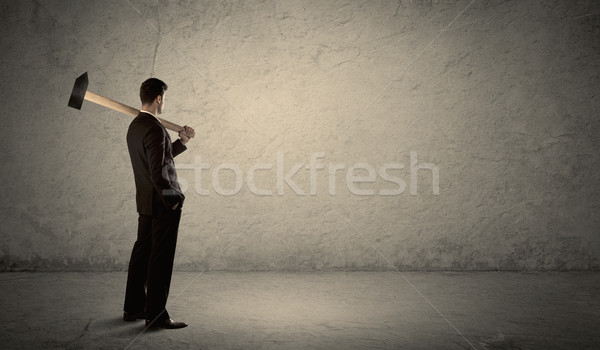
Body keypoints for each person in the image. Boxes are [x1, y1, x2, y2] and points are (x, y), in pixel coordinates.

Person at [123, 78, 195, 329]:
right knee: (160, 259)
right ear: (159, 98)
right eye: (165, 97)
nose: (164, 101)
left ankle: (133, 307)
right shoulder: (154, 128)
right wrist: (172, 200)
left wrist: (182, 143)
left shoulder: (136, 126)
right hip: (162, 205)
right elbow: (157, 171)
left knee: (142, 254)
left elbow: (159, 158)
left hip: (145, 202)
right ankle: (155, 315)